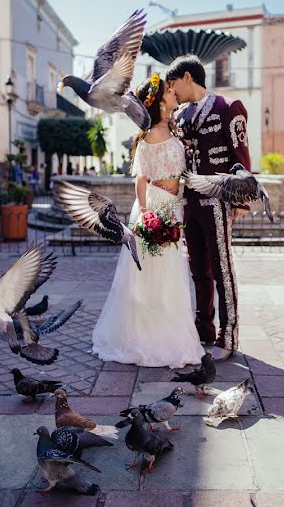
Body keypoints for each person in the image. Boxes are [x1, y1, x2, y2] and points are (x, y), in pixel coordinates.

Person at [92, 73, 204, 368]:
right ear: (158, 103)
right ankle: (142, 337)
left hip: (173, 205)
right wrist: (145, 213)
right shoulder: (147, 138)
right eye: (169, 91)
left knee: (170, 273)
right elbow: (141, 178)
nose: (173, 93)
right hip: (155, 206)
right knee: (146, 276)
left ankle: (170, 334)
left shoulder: (175, 128)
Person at [168, 55, 251, 361]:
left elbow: (241, 155)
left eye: (174, 84)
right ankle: (204, 329)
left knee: (222, 269)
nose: (172, 91)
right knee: (197, 270)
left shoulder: (228, 107)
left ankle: (228, 337)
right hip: (189, 203)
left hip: (217, 201)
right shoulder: (180, 116)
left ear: (188, 78)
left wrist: (240, 199)